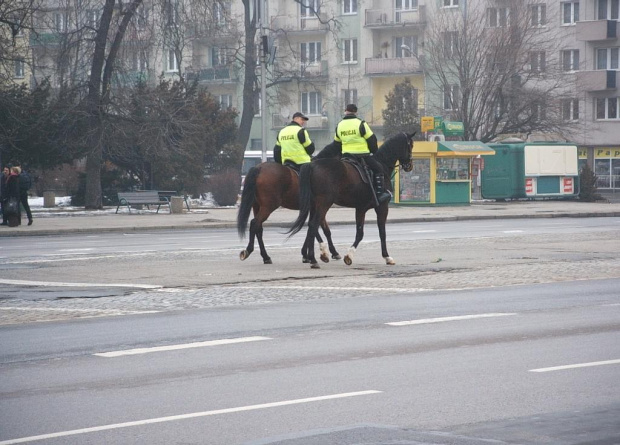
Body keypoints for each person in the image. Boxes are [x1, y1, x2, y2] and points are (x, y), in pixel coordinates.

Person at [333, 104, 391, 204]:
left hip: (346, 156)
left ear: (345, 111)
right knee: (378, 169)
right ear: (356, 112)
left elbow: (336, 143)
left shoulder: (339, 125)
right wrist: (374, 151)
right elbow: (371, 139)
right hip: (362, 155)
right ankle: (380, 193)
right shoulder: (360, 124)